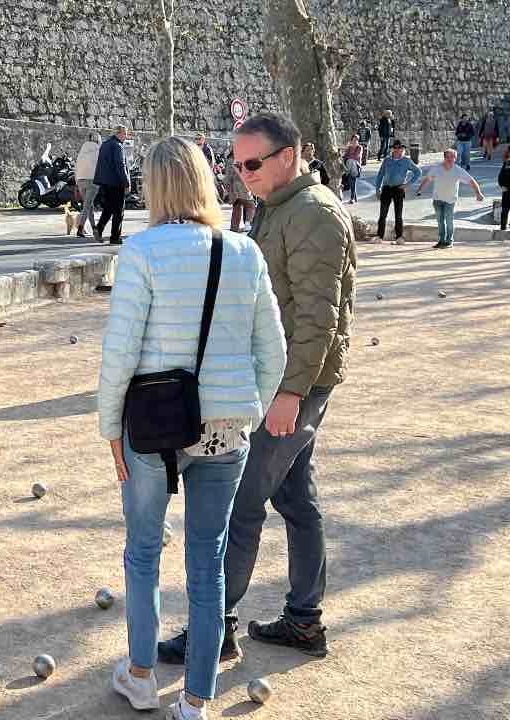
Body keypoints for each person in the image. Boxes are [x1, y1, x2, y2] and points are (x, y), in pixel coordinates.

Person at [99, 136, 287, 720]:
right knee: (207, 560)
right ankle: (196, 698)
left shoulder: (141, 251)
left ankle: (138, 672)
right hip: (225, 429)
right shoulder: (244, 252)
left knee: (144, 551)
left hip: (155, 425)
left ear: (153, 187)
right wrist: (246, 411)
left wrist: (110, 427)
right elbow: (273, 352)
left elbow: (120, 352)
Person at [159, 112, 356, 666]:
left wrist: (290, 395)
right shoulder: (281, 208)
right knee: (296, 498)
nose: (241, 174)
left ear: (288, 156)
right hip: (283, 380)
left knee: (242, 501)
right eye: (235, 163)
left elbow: (319, 316)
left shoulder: (312, 214)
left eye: (251, 163)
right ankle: (304, 619)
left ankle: (215, 628)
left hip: (295, 385)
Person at [416, 149, 485, 249]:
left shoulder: (458, 170)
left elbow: (471, 181)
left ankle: (449, 241)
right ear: (444, 158)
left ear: (455, 158)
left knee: (449, 220)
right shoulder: (436, 168)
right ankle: (441, 240)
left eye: (452, 157)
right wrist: (419, 190)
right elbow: (427, 179)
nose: (449, 159)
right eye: (447, 157)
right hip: (437, 199)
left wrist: (478, 193)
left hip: (450, 200)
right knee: (440, 221)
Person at [373, 139, 423, 244]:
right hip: (386, 188)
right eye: (395, 148)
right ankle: (379, 236)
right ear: (392, 149)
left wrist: (407, 184)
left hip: (399, 189)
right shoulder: (387, 160)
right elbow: (380, 175)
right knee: (383, 214)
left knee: (398, 214)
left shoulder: (406, 161)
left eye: (399, 148)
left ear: (403, 149)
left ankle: (399, 237)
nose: (397, 150)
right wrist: (377, 189)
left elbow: (418, 172)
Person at [94, 125, 131, 245]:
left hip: (105, 182)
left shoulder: (105, 144)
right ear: (118, 133)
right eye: (125, 133)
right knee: (119, 211)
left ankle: (98, 228)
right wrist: (126, 183)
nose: (126, 136)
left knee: (109, 208)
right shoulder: (118, 146)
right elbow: (120, 165)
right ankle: (115, 237)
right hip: (116, 182)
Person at [74, 133, 101, 238]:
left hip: (80, 180)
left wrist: (76, 181)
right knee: (87, 205)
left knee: (89, 205)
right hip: (93, 180)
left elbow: (76, 166)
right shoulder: (99, 150)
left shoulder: (82, 151)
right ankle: (80, 228)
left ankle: (94, 227)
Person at [224, 147, 255, 232]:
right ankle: (248, 223)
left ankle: (234, 228)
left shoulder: (230, 160)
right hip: (242, 185)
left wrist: (227, 188)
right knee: (250, 205)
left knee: (237, 207)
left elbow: (227, 176)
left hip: (233, 186)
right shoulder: (243, 158)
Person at [341, 136, 364, 204]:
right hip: (349, 165)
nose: (355, 141)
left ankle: (352, 198)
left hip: (356, 166)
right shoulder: (349, 147)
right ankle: (353, 198)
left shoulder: (359, 147)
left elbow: (356, 156)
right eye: (353, 140)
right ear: (351, 140)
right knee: (352, 181)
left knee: (352, 161)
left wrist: (349, 156)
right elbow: (345, 156)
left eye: (356, 140)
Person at [500, 145, 510, 232]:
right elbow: (501, 176)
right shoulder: (506, 163)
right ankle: (503, 227)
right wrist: (502, 186)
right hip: (506, 190)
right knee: (505, 209)